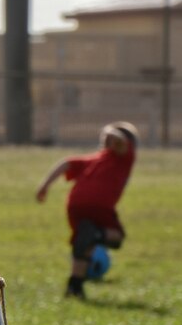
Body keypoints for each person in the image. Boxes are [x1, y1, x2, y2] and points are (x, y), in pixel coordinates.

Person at [36, 121, 138, 299]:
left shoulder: (95, 159)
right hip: (98, 206)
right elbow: (121, 140)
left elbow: (65, 164)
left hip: (74, 206)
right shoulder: (124, 159)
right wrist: (111, 132)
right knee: (117, 237)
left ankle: (74, 286)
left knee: (82, 245)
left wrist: (45, 186)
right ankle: (96, 235)